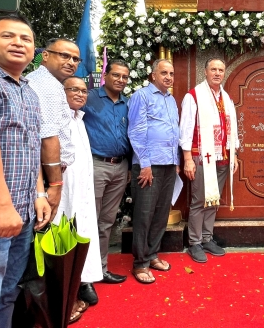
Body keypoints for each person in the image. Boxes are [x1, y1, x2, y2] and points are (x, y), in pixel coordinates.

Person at [0, 14, 50, 327]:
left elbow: (32, 148)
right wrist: (2, 206)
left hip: (22, 215)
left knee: (8, 291)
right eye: (8, 36)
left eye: (25, 39)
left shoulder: (28, 91)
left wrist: (38, 193)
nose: (18, 43)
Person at [179, 58, 238, 263]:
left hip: (222, 156)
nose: (217, 73)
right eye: (213, 69)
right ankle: (194, 242)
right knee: (199, 201)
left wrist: (234, 154)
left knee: (213, 200)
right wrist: (188, 159)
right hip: (202, 156)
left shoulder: (226, 97)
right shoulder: (194, 96)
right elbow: (186, 128)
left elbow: (232, 127)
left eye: (221, 70)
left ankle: (207, 238)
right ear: (205, 72)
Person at [127, 59, 180, 284]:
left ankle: (152, 254)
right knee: (144, 215)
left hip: (168, 164)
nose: (168, 77)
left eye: (171, 73)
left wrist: (176, 160)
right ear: (153, 75)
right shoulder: (142, 96)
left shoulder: (171, 100)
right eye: (164, 73)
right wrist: (145, 164)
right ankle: (140, 263)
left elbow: (173, 132)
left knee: (161, 214)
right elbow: (136, 131)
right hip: (149, 165)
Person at [82, 59, 132, 285]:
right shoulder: (89, 97)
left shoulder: (127, 103)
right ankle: (84, 275)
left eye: (125, 77)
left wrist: (130, 167)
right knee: (89, 219)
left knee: (107, 221)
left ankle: (100, 270)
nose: (121, 80)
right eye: (116, 75)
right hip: (96, 165)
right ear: (106, 75)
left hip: (120, 167)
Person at [56, 76, 102, 319]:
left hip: (82, 190)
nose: (80, 94)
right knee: (66, 235)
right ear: (61, 92)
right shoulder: (59, 118)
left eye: (84, 91)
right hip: (64, 193)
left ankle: (83, 280)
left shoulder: (79, 119)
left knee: (84, 230)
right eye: (73, 89)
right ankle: (67, 292)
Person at [27, 38, 80, 222]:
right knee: (44, 224)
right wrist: (55, 184)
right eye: (64, 55)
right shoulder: (46, 85)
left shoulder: (51, 83)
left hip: (47, 173)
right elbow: (48, 138)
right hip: (45, 174)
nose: (71, 62)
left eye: (75, 59)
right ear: (46, 56)